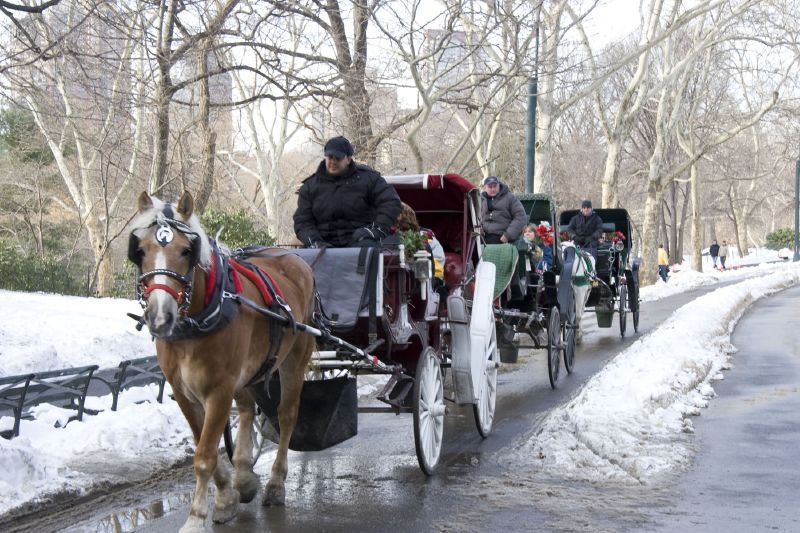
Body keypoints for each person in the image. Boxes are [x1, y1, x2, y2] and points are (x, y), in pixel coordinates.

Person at [293, 136, 401, 248]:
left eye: (338, 158)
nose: (333, 162)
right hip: (322, 246)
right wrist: (314, 241)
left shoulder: (369, 179)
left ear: (348, 159)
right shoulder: (310, 186)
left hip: (361, 242)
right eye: (330, 157)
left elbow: (391, 202)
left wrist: (375, 230)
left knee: (368, 250)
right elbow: (302, 220)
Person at [480, 175, 527, 245]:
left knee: (489, 248)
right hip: (482, 235)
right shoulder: (480, 199)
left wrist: (508, 235)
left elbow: (520, 217)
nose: (493, 189)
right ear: (485, 188)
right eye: (490, 187)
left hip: (500, 236)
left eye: (495, 186)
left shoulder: (510, 197)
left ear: (499, 185)